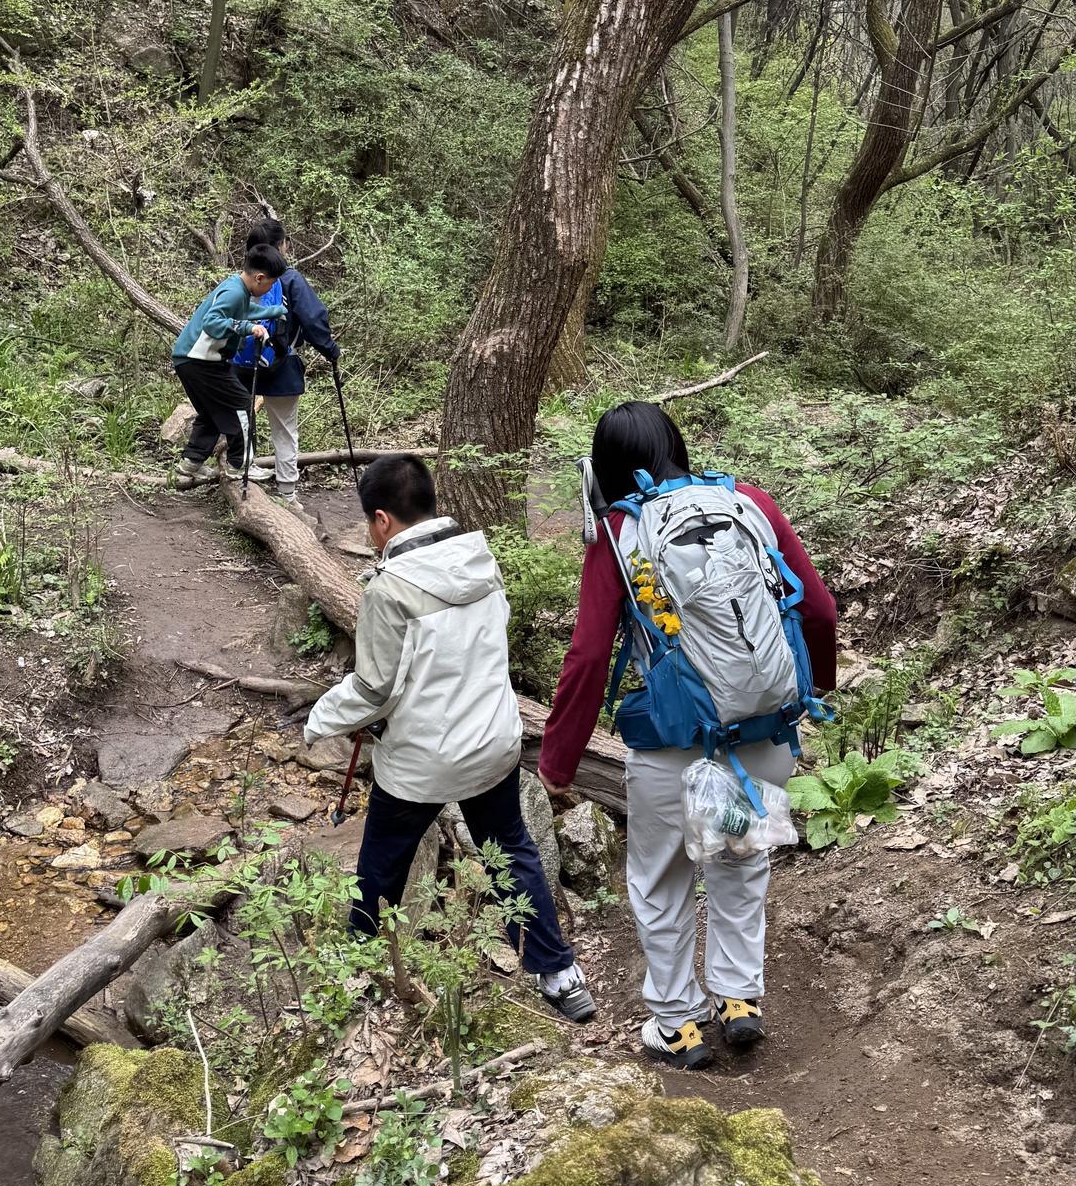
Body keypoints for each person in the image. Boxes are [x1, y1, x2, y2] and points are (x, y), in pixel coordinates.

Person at [538, 402, 836, 1070]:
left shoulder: (620, 531)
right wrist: (817, 690)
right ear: (677, 444)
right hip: (761, 725)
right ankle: (738, 998)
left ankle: (677, 1022)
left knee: (662, 878)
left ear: (607, 468)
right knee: (738, 859)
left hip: (676, 740)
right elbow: (817, 607)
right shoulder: (748, 502)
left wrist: (558, 759)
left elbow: (587, 657)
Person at [304, 453, 596, 1022]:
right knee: (511, 851)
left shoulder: (389, 591)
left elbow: (373, 690)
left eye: (369, 522)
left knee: (382, 865)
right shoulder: (481, 560)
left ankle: (357, 973)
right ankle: (560, 975)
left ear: (382, 520)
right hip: (492, 744)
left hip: (422, 763)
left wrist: (318, 720)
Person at [236, 218, 340, 508]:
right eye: (286, 242)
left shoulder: (244, 278)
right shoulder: (290, 278)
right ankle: (287, 495)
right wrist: (330, 350)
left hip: (242, 364)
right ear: (281, 245)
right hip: (283, 366)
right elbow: (313, 318)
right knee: (284, 430)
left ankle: (244, 469)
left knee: (242, 419)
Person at [170, 244, 287, 489]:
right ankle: (240, 465)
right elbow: (213, 322)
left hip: (190, 360)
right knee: (243, 404)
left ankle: (190, 463)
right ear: (259, 278)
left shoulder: (237, 289)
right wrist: (247, 328)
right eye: (270, 285)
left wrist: (273, 310)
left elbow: (245, 310)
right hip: (201, 362)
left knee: (213, 412)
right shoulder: (235, 292)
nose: (268, 289)